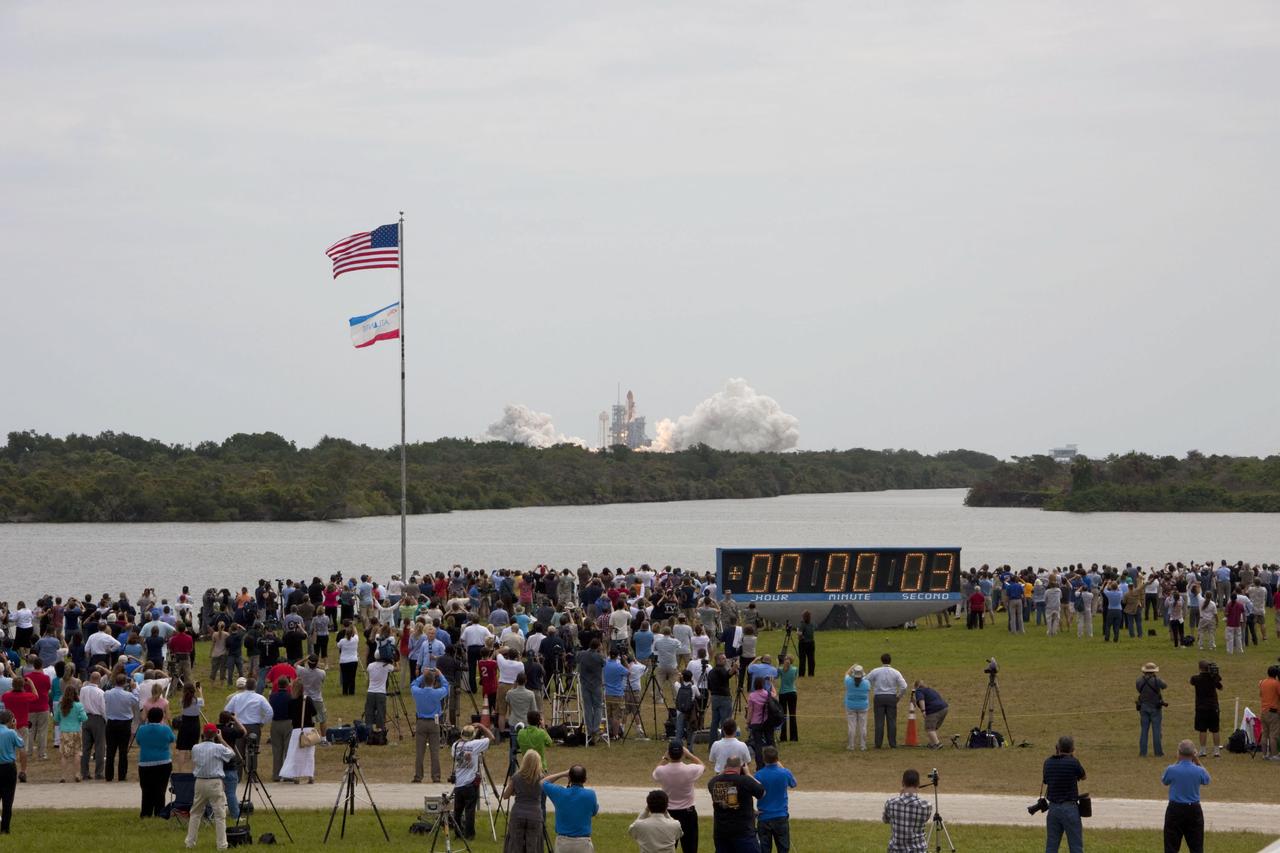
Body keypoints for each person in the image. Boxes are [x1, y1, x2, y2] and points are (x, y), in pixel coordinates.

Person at [186, 724, 235, 850]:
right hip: (214, 782)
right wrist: (222, 739)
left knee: (195, 813)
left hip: (200, 782)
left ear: (203, 734)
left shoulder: (195, 747)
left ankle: (190, 842)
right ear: (214, 735)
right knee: (219, 815)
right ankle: (222, 845)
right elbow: (232, 754)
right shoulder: (219, 747)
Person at [653, 740, 705, 853]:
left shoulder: (662, 771)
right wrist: (689, 754)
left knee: (667, 848)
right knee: (690, 848)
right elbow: (702, 766)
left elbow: (655, 772)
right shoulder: (690, 769)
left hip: (669, 813)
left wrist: (664, 758)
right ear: (682, 753)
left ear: (669, 753)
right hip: (688, 813)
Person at [708, 755, 764, 853]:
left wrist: (723, 772)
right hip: (743, 832)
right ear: (741, 767)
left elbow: (713, 780)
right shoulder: (745, 781)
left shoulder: (713, 782)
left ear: (725, 766)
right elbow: (762, 792)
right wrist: (748, 774)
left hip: (721, 832)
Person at [1162, 739, 1211, 853]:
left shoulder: (1172, 769)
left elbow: (1165, 780)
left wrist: (1177, 762)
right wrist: (1197, 761)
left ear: (1179, 753)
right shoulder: (1199, 771)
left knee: (1171, 847)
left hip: (1175, 809)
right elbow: (1207, 780)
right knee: (1196, 847)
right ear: (1194, 754)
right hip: (1193, 810)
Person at [451, 722, 495, 840]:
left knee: (458, 811)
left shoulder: (455, 745)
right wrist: (481, 726)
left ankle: (458, 833)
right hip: (470, 783)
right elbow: (492, 738)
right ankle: (469, 835)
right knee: (470, 810)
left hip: (459, 783)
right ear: (472, 735)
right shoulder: (475, 744)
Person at [1043, 735, 1086, 853]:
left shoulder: (1048, 763)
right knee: (1076, 846)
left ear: (1057, 747)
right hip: (1070, 808)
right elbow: (1083, 776)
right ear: (1072, 749)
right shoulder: (1073, 762)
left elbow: (1046, 780)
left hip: (1053, 808)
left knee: (1051, 846)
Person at [543, 764, 599, 852]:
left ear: (569, 778)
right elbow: (594, 812)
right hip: (583, 843)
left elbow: (542, 782)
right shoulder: (590, 794)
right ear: (585, 779)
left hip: (563, 843)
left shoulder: (559, 792)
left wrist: (563, 774)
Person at [501, 748, 546, 853]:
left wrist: (515, 790)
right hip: (535, 814)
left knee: (515, 845)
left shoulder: (517, 777)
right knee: (533, 845)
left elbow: (505, 796)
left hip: (518, 813)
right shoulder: (541, 778)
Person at [135, 705, 177, 817]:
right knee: (160, 789)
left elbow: (138, 742)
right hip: (163, 762)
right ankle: (159, 812)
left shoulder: (142, 729)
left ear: (148, 717)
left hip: (145, 763)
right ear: (161, 717)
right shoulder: (165, 729)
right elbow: (173, 739)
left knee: (146, 789)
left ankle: (145, 813)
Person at [410, 667, 449, 783]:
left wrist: (423, 674)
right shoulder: (437, 693)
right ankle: (436, 776)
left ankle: (418, 776)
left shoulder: (418, 692)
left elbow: (413, 684)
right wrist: (440, 674)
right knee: (435, 751)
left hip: (421, 722)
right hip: (434, 722)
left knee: (420, 752)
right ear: (433, 681)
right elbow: (446, 687)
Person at [755, 746, 796, 853]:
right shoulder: (785, 773)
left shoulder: (758, 775)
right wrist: (781, 766)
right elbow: (793, 783)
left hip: (764, 816)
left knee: (765, 849)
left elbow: (752, 793)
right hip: (780, 816)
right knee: (783, 848)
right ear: (777, 758)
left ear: (764, 759)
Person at [882, 768, 932, 853]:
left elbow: (885, 820)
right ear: (918, 784)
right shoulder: (926, 805)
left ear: (902, 783)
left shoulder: (891, 803)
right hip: (918, 850)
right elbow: (924, 820)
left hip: (895, 850)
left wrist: (900, 796)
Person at [279, 678, 317, 784]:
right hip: (308, 729)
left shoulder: (291, 701)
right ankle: (310, 775)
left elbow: (289, 715)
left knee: (295, 753)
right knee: (309, 754)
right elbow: (314, 712)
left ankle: (296, 776)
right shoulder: (307, 699)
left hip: (297, 729)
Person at [103, 672, 140, 781]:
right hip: (124, 724)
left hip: (111, 723)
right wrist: (134, 689)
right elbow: (137, 700)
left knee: (110, 751)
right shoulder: (129, 695)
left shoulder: (107, 693)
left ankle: (109, 776)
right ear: (125, 683)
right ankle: (122, 776)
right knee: (123, 751)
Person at [867, 653, 908, 749]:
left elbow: (866, 680)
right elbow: (904, 686)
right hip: (891, 697)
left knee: (879, 722)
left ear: (881, 660)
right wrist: (898, 696)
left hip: (879, 697)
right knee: (892, 721)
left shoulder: (875, 671)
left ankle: (878, 744)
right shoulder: (895, 672)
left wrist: (872, 687)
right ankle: (892, 744)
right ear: (890, 661)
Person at [629, 788, 684, 853]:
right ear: (666, 806)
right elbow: (679, 834)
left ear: (648, 806)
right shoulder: (675, 825)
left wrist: (646, 811)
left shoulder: (640, 825)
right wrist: (667, 814)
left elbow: (631, 830)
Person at [52, 684, 87, 782]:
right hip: (76, 730)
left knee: (64, 754)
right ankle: (77, 774)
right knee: (77, 753)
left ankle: (63, 776)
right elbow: (84, 718)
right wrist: (78, 718)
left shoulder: (61, 705)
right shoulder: (78, 705)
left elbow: (56, 719)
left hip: (64, 731)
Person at [1189, 660, 1222, 757]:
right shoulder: (1213, 678)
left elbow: (1191, 681)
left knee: (1202, 729)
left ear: (1200, 668)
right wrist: (1215, 675)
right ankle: (1216, 750)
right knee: (1215, 729)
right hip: (1213, 706)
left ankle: (1203, 750)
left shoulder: (1196, 678)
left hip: (1201, 707)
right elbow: (1220, 687)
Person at [0, 710, 23, 834]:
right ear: (11, 721)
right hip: (8, 767)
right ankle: (5, 828)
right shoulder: (11, 733)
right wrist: (15, 729)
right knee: (8, 799)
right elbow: (21, 743)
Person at [1137, 662, 1168, 757]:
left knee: (1144, 731)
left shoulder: (1139, 680)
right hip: (1155, 707)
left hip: (1143, 707)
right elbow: (1165, 686)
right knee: (1156, 731)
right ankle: (1158, 752)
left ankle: (1143, 752)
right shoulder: (1157, 680)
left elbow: (1138, 690)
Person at [912, 680, 948, 750]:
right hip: (944, 708)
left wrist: (923, 711)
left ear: (916, 686)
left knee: (929, 728)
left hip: (934, 710)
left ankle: (937, 744)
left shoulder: (919, 691)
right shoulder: (930, 690)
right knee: (933, 727)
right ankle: (932, 743)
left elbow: (921, 700)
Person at [842, 664, 871, 751]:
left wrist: (852, 666)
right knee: (863, 727)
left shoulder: (848, 681)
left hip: (850, 706)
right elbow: (866, 682)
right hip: (863, 707)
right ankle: (863, 746)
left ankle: (851, 746)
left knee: (851, 727)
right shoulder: (866, 683)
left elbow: (846, 673)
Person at [1258, 665, 1280, 761]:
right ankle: (1274, 755)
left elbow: (1261, 694)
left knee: (1265, 734)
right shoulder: (1276, 683)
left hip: (1263, 711)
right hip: (1273, 712)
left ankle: (1264, 754)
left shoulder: (1262, 682)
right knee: (1273, 734)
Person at [776, 656, 798, 743]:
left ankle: (783, 737)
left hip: (783, 694)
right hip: (792, 693)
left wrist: (777, 665)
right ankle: (794, 737)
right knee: (793, 715)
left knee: (783, 716)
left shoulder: (781, 669)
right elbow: (794, 678)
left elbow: (776, 676)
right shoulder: (795, 669)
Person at [796, 611, 815, 678]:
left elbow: (799, 633)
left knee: (802, 659)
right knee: (811, 659)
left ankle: (801, 674)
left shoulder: (802, 624)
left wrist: (800, 637)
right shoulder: (811, 624)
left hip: (803, 643)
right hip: (811, 642)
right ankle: (811, 673)